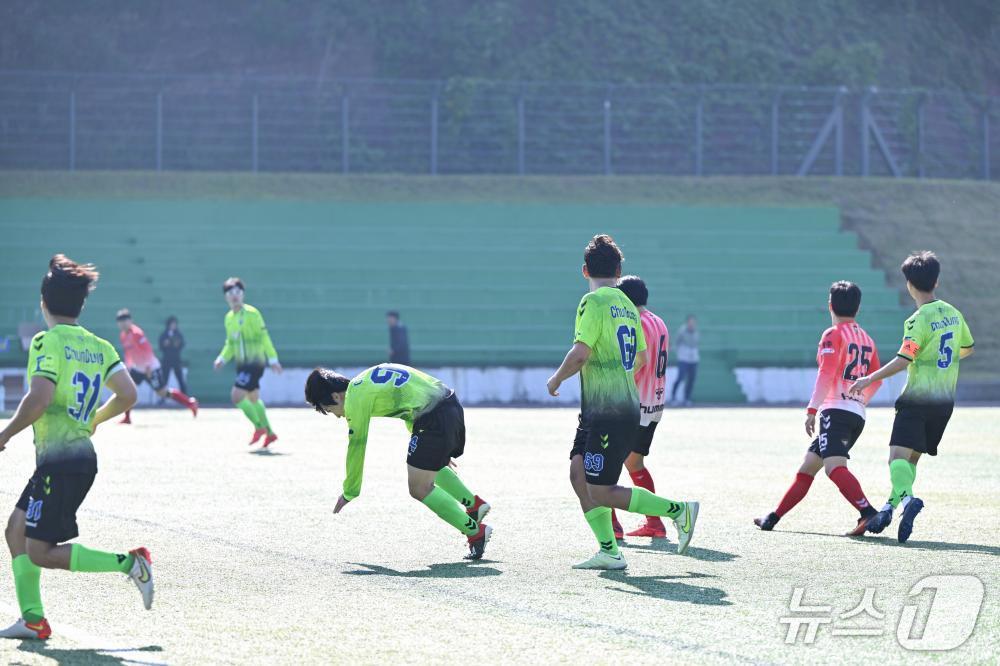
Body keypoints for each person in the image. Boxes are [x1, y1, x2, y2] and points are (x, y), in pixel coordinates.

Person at [0, 255, 153, 641]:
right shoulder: (98, 345)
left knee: (39, 551)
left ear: (43, 302)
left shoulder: (46, 341)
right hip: (73, 459)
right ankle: (33, 620)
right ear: (79, 304)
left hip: (60, 464)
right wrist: (95, 420)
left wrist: (5, 434)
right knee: (15, 531)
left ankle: (130, 564)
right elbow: (129, 394)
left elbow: (38, 398)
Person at [546, 234, 699, 570]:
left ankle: (679, 510)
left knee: (601, 491)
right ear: (618, 270)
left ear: (584, 270)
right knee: (577, 474)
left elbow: (580, 353)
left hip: (609, 411)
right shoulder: (628, 305)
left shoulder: (593, 302)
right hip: (605, 408)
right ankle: (609, 551)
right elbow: (641, 358)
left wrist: (556, 378)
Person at [304, 365, 492, 560]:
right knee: (424, 466)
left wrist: (350, 491)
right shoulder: (364, 381)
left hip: (435, 418)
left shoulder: (354, 398)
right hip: (447, 407)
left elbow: (357, 446)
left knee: (418, 488)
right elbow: (409, 398)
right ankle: (474, 505)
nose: (337, 415)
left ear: (336, 396)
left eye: (330, 410)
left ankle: (476, 533)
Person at [850, 251, 974, 543]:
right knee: (909, 464)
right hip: (944, 402)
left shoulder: (916, 321)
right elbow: (967, 348)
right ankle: (888, 508)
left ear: (909, 284)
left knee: (895, 459)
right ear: (937, 281)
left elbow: (904, 359)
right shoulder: (954, 314)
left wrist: (870, 377)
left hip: (918, 399)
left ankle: (908, 502)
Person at [754, 281, 882, 535]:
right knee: (808, 467)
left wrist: (812, 409)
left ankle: (868, 513)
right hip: (856, 413)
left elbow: (826, 373)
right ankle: (773, 517)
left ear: (830, 305)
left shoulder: (833, 334)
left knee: (835, 468)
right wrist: (858, 400)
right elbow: (876, 378)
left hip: (835, 411)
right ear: (857, 308)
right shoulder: (867, 339)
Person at [611, 274, 672, 540]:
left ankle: (612, 528)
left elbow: (638, 361)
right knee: (634, 462)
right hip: (654, 402)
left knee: (603, 466)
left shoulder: (635, 322)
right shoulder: (659, 322)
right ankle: (655, 523)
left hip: (632, 404)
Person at [213, 277, 282, 447]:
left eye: (238, 292)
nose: (234, 295)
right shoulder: (228, 318)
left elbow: (264, 337)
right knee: (253, 398)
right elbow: (230, 343)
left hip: (255, 363)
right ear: (226, 297)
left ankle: (259, 427)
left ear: (243, 294)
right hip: (241, 364)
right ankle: (270, 433)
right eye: (230, 293)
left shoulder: (252, 314)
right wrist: (222, 358)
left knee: (236, 396)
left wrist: (273, 359)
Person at [116, 309, 198, 423]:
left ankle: (190, 403)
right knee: (128, 390)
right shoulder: (123, 336)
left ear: (130, 321)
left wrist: (148, 367)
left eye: (125, 320)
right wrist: (128, 366)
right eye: (120, 321)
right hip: (138, 369)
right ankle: (127, 417)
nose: (123, 323)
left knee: (163, 392)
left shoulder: (137, 333)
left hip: (150, 368)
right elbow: (128, 352)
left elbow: (147, 350)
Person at [671, 315, 699, 406]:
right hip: (683, 358)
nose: (692, 324)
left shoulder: (696, 332)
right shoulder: (682, 331)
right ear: (687, 322)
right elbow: (677, 342)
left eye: (693, 322)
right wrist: (679, 353)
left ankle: (687, 398)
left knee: (691, 379)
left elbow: (695, 343)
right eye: (690, 322)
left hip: (693, 359)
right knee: (680, 377)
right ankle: (673, 397)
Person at [158, 316, 188, 395]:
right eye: (172, 324)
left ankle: (184, 397)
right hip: (167, 360)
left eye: (175, 324)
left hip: (176, 359)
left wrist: (177, 343)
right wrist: (165, 344)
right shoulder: (164, 334)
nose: (173, 326)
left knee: (180, 379)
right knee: (164, 380)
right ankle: (163, 397)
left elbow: (182, 344)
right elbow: (161, 346)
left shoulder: (178, 334)